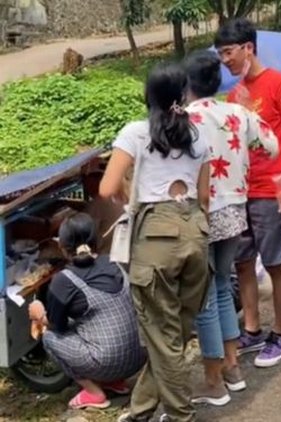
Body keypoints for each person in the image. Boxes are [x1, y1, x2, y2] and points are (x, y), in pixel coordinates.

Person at [99, 64, 211, 422]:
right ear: (183, 95)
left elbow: (105, 187)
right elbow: (205, 196)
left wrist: (129, 193)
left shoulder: (135, 132)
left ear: (148, 96)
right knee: (174, 331)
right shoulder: (198, 136)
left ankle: (181, 414)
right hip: (196, 229)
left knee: (163, 337)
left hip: (156, 236)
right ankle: (142, 408)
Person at [183, 51, 279, 405]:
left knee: (205, 297)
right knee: (222, 288)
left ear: (187, 84)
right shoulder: (239, 113)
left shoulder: (185, 119)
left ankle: (213, 382)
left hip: (202, 215)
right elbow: (271, 145)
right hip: (235, 212)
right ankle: (232, 367)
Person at [214, 18, 281, 367]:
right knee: (243, 262)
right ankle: (251, 328)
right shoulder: (234, 93)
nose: (225, 59)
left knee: (276, 262)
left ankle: (280, 333)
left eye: (229, 51)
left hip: (273, 189)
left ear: (248, 48)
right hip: (241, 190)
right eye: (221, 53)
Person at [28, 213, 145, 410]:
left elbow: (57, 325)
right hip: (139, 357)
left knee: (50, 338)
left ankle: (94, 392)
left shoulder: (64, 280)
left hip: (108, 362)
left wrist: (39, 313)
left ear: (62, 247)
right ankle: (114, 382)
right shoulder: (113, 261)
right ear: (96, 240)